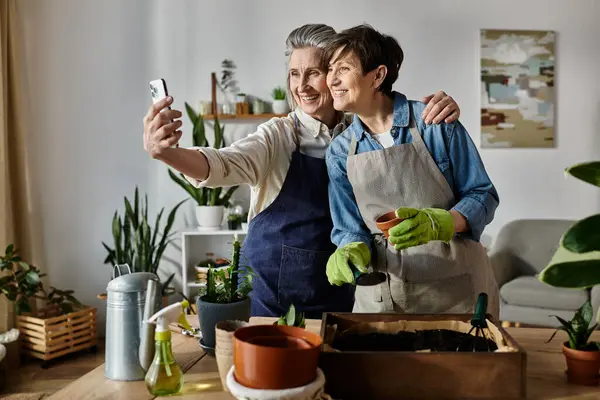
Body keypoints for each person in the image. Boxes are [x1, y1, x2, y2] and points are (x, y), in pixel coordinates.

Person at [142, 24, 463, 319]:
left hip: (345, 290)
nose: (301, 86)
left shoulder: (364, 132)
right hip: (272, 298)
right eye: (294, 74)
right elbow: (222, 163)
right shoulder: (277, 136)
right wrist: (168, 153)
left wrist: (439, 111)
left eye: (313, 73)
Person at [324, 24, 500, 320]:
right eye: (330, 69)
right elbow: (349, 228)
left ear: (377, 76)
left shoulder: (434, 122)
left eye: (343, 68)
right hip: (383, 295)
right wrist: (351, 250)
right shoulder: (341, 150)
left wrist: (440, 222)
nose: (332, 80)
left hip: (455, 292)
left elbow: (483, 194)